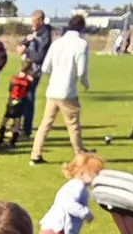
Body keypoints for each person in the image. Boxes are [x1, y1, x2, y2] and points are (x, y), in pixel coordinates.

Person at [29, 14, 90, 166]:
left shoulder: (57, 43)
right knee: (73, 124)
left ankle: (35, 154)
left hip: (52, 90)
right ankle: (79, 154)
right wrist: (85, 83)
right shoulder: (81, 44)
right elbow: (81, 71)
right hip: (68, 91)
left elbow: (45, 67)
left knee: (46, 123)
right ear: (82, 27)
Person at [21, 10, 55, 136]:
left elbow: (40, 56)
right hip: (27, 69)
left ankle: (26, 130)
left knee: (28, 99)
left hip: (34, 71)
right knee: (22, 97)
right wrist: (25, 42)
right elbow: (28, 43)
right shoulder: (37, 33)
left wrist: (26, 53)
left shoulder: (45, 35)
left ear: (40, 20)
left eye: (33, 21)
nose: (31, 24)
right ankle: (20, 127)